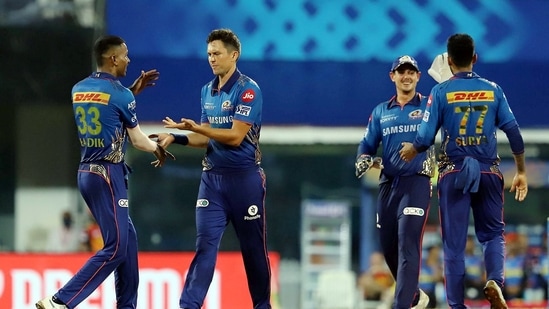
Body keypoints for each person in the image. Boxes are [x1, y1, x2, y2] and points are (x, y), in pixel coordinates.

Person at [36, 34, 174, 309]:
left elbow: (106, 110)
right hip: (108, 175)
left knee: (128, 241)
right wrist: (157, 148)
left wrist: (131, 92)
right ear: (113, 59)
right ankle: (61, 301)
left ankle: (127, 306)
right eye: (124, 55)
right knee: (116, 247)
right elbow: (137, 140)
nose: (129, 60)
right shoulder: (120, 94)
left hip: (87, 173)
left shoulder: (79, 88)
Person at [399, 33, 529, 309]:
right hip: (489, 172)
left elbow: (424, 139)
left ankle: (457, 306)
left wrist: (412, 149)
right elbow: (514, 133)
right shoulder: (494, 89)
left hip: (454, 174)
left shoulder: (441, 91)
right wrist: (521, 171)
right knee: (493, 234)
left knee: (454, 246)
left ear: (448, 59)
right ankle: (495, 279)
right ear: (474, 58)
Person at [150, 28, 271, 309]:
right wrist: (176, 137)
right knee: (205, 247)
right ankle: (188, 305)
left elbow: (235, 136)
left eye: (217, 54)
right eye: (209, 54)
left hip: (245, 182)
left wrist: (199, 127)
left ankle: (262, 306)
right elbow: (204, 138)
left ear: (234, 55)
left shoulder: (248, 90)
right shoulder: (207, 90)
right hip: (212, 183)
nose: (212, 59)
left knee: (253, 252)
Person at [355, 55, 435, 309]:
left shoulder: (430, 106)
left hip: (418, 182)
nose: (407, 76)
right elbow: (367, 144)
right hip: (388, 185)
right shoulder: (381, 111)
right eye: (402, 72)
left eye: (412, 72)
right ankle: (412, 296)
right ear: (393, 76)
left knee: (407, 242)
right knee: (389, 246)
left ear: (418, 77)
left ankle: (401, 305)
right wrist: (363, 158)